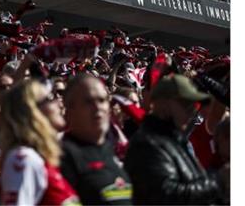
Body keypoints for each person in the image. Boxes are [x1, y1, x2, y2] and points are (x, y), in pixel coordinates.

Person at [124, 74, 226, 205]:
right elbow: (167, 195)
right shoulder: (147, 145)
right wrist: (218, 181)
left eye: (194, 104)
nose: (192, 110)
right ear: (163, 104)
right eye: (185, 104)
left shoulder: (175, 140)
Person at [0, 79, 80, 206]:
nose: (59, 102)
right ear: (32, 111)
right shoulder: (23, 158)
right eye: (50, 98)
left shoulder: (39, 158)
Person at [60, 74, 133, 205]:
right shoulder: (62, 157)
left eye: (102, 100)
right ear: (69, 109)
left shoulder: (111, 151)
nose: (98, 107)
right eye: (88, 101)